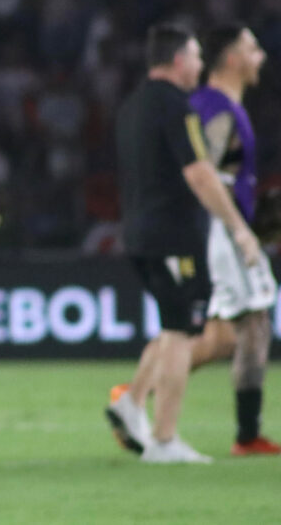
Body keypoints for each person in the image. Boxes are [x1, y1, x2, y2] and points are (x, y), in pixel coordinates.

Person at [110, 24, 279, 456]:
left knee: (211, 332)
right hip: (192, 231)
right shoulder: (195, 106)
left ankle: (134, 400)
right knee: (191, 328)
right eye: (251, 48)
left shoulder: (136, 104)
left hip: (151, 228)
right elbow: (200, 171)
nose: (260, 56)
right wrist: (241, 229)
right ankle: (161, 425)